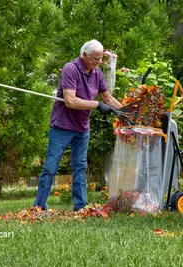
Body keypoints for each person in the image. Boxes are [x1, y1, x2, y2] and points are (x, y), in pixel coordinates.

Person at [33, 39, 122, 212]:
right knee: (50, 167)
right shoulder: (70, 69)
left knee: (80, 167)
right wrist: (96, 105)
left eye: (100, 59)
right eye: (95, 58)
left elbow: (108, 98)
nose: (98, 63)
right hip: (62, 126)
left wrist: (127, 112)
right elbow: (70, 100)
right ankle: (38, 207)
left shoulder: (97, 73)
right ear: (84, 55)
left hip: (82, 128)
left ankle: (80, 207)